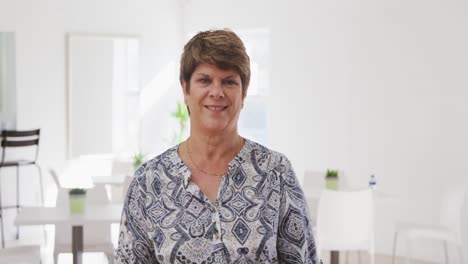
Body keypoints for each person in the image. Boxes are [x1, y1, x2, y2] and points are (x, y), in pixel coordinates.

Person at [116, 29, 320, 264]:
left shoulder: (276, 172)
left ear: (243, 92)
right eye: (205, 80)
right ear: (185, 88)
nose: (217, 92)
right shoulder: (148, 182)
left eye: (229, 81)